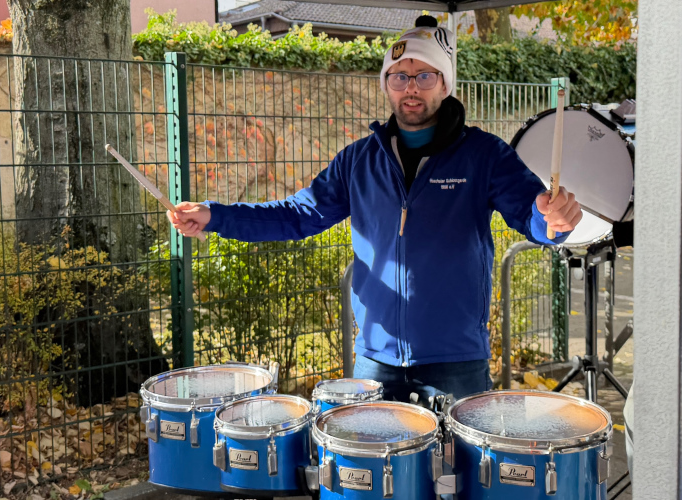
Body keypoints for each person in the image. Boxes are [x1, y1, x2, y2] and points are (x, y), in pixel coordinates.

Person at [168, 19, 582, 403]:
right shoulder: (358, 160)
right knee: (371, 462)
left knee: (459, 464)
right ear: (387, 85)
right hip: (375, 361)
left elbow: (533, 214)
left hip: (456, 361)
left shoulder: (484, 154)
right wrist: (215, 216)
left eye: (425, 76)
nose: (411, 88)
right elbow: (297, 215)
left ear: (445, 84)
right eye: (399, 77)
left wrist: (553, 221)